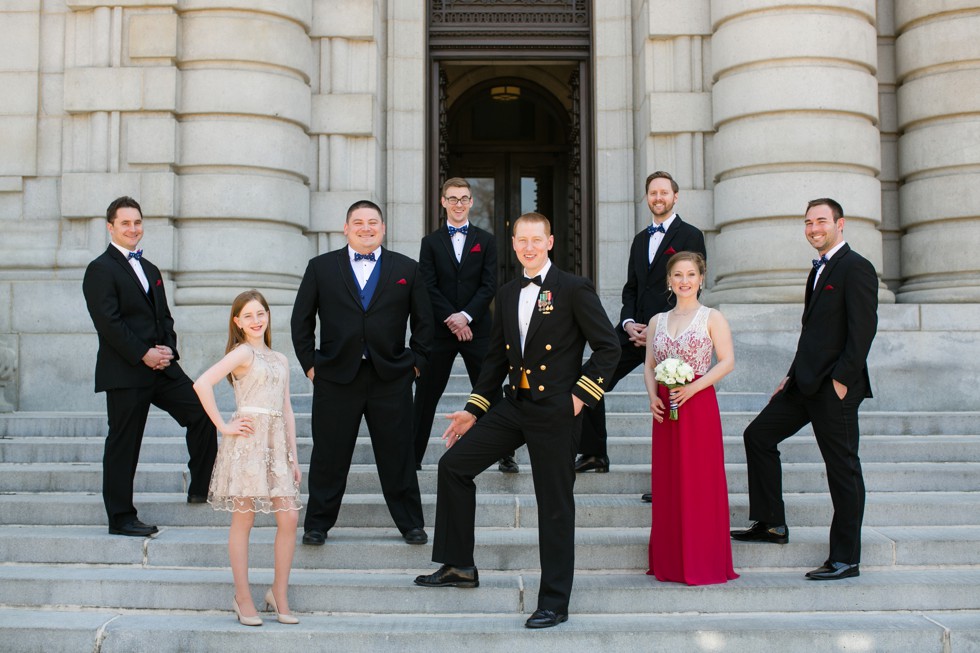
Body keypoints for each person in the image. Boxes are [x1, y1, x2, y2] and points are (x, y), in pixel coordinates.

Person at [413, 212, 620, 629]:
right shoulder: (507, 293)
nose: (528, 246)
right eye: (521, 239)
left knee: (555, 505)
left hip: (556, 411)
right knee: (453, 466)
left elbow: (608, 348)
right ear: (513, 244)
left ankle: (554, 601)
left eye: (535, 239)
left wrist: (581, 397)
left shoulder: (573, 288)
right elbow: (494, 361)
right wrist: (473, 410)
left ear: (550, 242)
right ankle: (459, 566)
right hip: (513, 405)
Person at [731, 198, 878, 581]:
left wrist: (842, 381)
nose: (814, 228)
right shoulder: (818, 270)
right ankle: (771, 524)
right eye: (809, 222)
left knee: (842, 470)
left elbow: (862, 332)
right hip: (803, 383)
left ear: (840, 224)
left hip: (834, 388)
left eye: (821, 221)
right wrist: (791, 374)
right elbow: (814, 333)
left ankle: (846, 558)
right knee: (758, 436)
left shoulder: (857, 268)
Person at [291, 200, 433, 546]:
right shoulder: (321, 267)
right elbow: (301, 321)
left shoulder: (407, 269)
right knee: (329, 454)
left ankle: (411, 523)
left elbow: (426, 324)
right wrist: (311, 366)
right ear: (346, 228)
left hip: (391, 377)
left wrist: (414, 365)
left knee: (398, 453)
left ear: (383, 228)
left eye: (373, 222)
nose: (366, 228)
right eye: (358, 222)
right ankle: (317, 524)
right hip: (336, 377)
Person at [82, 196, 217, 537]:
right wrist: (144, 354)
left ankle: (201, 488)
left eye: (137, 222)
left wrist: (167, 350)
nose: (133, 228)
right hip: (127, 370)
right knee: (123, 443)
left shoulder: (152, 269)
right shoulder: (100, 269)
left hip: (163, 370)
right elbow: (109, 323)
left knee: (202, 412)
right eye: (125, 223)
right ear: (110, 227)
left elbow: (165, 318)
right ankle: (121, 517)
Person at [575, 171, 706, 487]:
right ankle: (594, 454)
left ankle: (674, 478)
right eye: (653, 193)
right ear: (647, 198)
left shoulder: (691, 235)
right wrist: (628, 322)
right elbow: (631, 288)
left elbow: (691, 288)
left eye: (664, 192)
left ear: (675, 196)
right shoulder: (640, 240)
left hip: (671, 333)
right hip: (634, 333)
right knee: (589, 377)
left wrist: (660, 325)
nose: (658, 198)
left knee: (671, 401)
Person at [193, 290, 302, 626]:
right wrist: (224, 426)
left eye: (261, 313)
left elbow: (286, 409)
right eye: (249, 316)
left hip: (276, 446)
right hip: (248, 444)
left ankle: (278, 593)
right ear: (237, 322)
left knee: (289, 520)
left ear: (268, 316)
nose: (257, 321)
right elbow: (201, 384)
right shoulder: (241, 353)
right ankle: (243, 598)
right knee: (245, 519)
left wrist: (294, 458)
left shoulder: (280, 359)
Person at [644, 252, 737, 585]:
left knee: (699, 482)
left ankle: (702, 561)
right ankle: (671, 561)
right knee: (669, 482)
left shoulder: (712, 317)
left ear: (701, 278)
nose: (684, 281)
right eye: (678, 275)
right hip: (665, 410)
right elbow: (649, 365)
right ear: (669, 280)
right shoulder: (657, 320)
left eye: (691, 274)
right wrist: (654, 396)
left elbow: (726, 362)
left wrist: (693, 388)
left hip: (698, 405)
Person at [414, 178, 515, 472]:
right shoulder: (430, 243)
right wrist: (453, 319)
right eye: (452, 198)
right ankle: (412, 456)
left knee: (491, 391)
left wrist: (466, 316)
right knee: (425, 394)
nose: (458, 204)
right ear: (443, 202)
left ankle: (505, 454)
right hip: (440, 330)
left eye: (464, 198)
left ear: (471, 202)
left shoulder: (487, 241)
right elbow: (427, 285)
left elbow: (489, 284)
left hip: (478, 328)